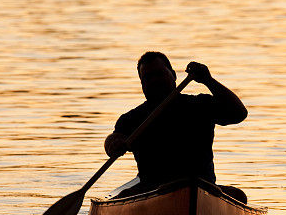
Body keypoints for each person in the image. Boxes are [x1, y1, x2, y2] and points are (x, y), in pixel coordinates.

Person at [104, 51, 248, 202]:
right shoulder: (132, 118)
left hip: (204, 188)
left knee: (239, 196)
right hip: (152, 190)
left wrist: (208, 80)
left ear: (173, 75)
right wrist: (112, 143)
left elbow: (239, 113)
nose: (154, 81)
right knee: (124, 197)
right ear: (142, 83)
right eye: (148, 77)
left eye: (159, 74)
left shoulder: (200, 105)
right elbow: (114, 139)